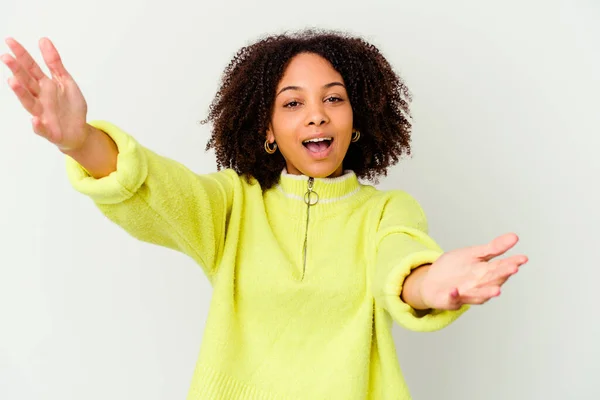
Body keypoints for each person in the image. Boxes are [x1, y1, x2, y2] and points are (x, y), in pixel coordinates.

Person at [2, 30, 528, 400]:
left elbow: (403, 260)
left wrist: (432, 283)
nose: (317, 113)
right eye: (293, 103)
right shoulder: (235, 203)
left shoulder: (386, 210)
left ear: (357, 118)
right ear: (268, 129)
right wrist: (82, 142)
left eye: (334, 98)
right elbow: (157, 190)